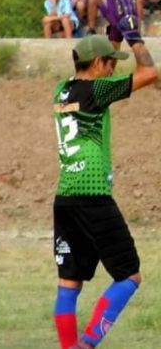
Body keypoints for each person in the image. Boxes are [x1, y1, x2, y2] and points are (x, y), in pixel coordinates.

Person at [51, 27, 157, 348]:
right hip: (93, 194)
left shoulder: (62, 89)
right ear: (98, 64)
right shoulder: (98, 91)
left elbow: (98, 67)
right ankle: (87, 344)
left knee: (69, 283)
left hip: (66, 196)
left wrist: (114, 37)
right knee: (129, 276)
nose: (113, 67)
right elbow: (150, 73)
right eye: (110, 63)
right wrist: (135, 38)